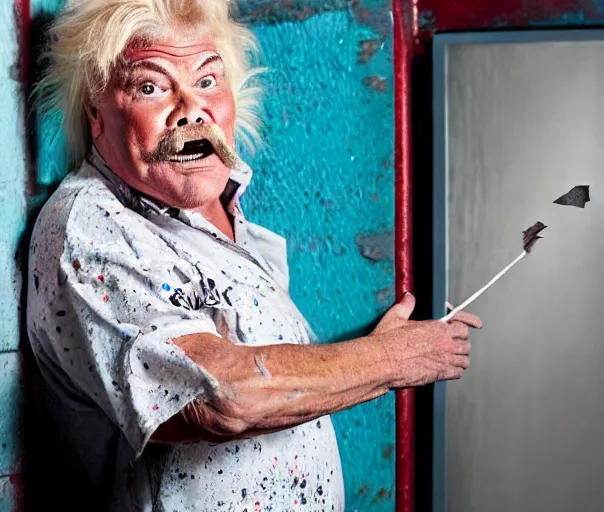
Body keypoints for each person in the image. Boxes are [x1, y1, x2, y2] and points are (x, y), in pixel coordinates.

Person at [26, 1, 482, 510]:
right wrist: (391, 361)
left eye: (206, 81)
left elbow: (277, 388)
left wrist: (370, 364)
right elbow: (219, 398)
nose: (191, 110)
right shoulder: (93, 226)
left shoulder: (224, 218)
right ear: (96, 116)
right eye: (151, 87)